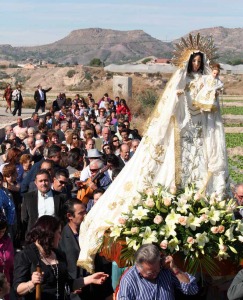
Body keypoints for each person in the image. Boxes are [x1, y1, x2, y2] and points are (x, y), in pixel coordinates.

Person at [77, 34, 230, 273]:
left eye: (201, 61)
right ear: (189, 62)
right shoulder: (181, 80)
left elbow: (209, 104)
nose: (198, 65)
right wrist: (180, 98)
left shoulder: (206, 80)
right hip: (182, 129)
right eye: (195, 62)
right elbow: (170, 104)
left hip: (200, 133)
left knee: (201, 169)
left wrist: (213, 82)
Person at [13, 215, 109, 300]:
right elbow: (18, 289)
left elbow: (67, 284)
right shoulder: (25, 255)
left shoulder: (59, 254)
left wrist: (90, 279)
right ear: (48, 234)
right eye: (58, 233)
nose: (60, 237)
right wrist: (32, 283)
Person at [59, 199, 113, 300]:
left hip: (97, 288)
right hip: (77, 292)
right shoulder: (61, 238)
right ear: (69, 216)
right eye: (81, 213)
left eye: (86, 212)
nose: (85, 216)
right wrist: (72, 286)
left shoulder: (92, 232)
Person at [117, 244, 198, 299]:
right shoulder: (128, 280)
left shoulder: (165, 269)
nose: (155, 274)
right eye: (150, 273)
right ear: (138, 266)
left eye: (157, 269)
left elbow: (192, 290)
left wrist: (174, 269)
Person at [21, 169, 66, 235]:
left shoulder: (60, 197)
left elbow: (63, 219)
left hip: (54, 236)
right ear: (36, 183)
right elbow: (24, 219)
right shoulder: (28, 197)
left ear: (50, 181)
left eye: (46, 180)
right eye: (40, 181)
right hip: (35, 236)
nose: (43, 183)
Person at [0, 214, 14, 300]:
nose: (1, 234)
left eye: (3, 231)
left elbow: (11, 264)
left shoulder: (7, 241)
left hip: (6, 287)